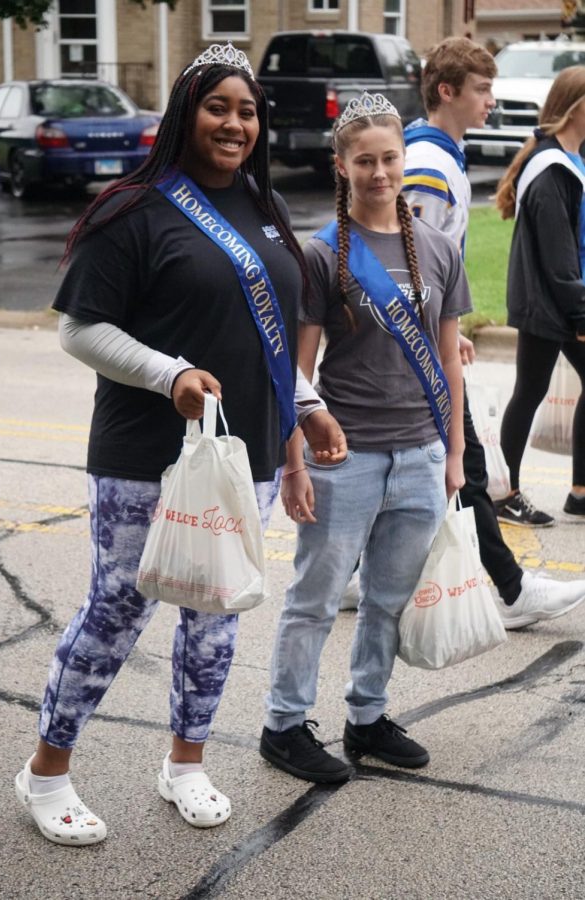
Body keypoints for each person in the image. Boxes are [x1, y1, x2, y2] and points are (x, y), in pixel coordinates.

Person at [14, 42, 345, 845]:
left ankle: (185, 763)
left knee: (215, 617)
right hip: (144, 452)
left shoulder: (265, 212)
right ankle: (46, 773)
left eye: (248, 110)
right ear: (185, 115)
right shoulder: (132, 208)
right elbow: (80, 329)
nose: (235, 124)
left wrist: (307, 405)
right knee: (117, 612)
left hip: (246, 453)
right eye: (217, 107)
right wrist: (169, 376)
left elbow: (257, 345)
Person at [260, 91, 470, 784]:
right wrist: (295, 458)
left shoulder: (438, 248)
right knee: (315, 599)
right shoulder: (321, 255)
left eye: (389, 159)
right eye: (365, 161)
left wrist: (455, 455)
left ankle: (366, 717)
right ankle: (283, 724)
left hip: (419, 454)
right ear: (341, 165)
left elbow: (447, 359)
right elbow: (297, 370)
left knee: (385, 599)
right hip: (342, 456)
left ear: (403, 160)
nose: (379, 173)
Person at [401, 37, 585, 629]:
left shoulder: (441, 152)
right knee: (466, 468)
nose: (492, 100)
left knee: (420, 468)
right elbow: (408, 265)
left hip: (425, 342)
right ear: (446, 91)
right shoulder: (428, 162)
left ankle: (354, 575)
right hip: (414, 348)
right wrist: (436, 335)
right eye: (481, 89)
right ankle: (510, 591)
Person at [496, 65, 585, 530]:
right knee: (528, 392)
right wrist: (581, 310)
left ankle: (579, 491)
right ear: (576, 108)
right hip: (551, 304)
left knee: (528, 392)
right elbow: (557, 259)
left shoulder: (570, 158)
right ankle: (503, 493)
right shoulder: (551, 169)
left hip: (559, 301)